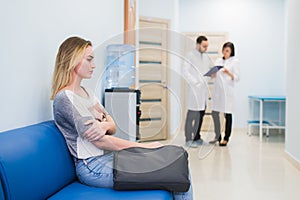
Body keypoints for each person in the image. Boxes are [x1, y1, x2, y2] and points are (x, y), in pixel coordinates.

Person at [50, 36, 193, 199]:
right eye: (89, 59)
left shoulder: (87, 93)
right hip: (92, 167)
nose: (94, 65)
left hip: (109, 157)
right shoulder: (65, 98)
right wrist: (143, 147)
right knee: (176, 169)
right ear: (72, 60)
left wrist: (103, 126)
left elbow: (112, 125)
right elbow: (100, 141)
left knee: (178, 161)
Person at [209, 42, 240, 146]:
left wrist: (228, 72)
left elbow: (237, 77)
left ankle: (226, 138)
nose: (225, 53)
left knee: (227, 114)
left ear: (231, 52)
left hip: (227, 92)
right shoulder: (218, 61)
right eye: (224, 50)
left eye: (227, 51)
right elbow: (214, 75)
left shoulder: (235, 61)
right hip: (217, 91)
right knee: (214, 113)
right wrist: (212, 74)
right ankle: (218, 136)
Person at [183, 35, 211, 148]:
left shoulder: (205, 57)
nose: (206, 48)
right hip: (194, 90)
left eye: (207, 46)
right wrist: (196, 82)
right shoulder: (190, 55)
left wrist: (210, 75)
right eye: (204, 46)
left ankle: (197, 137)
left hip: (203, 91)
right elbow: (185, 71)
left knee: (201, 114)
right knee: (192, 116)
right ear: (198, 44)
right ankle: (188, 139)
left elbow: (206, 72)